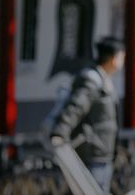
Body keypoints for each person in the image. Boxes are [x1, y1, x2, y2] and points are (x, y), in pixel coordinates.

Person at [50, 36, 126, 193]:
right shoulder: (91, 80)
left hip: (102, 155)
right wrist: (59, 132)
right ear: (114, 58)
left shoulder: (103, 79)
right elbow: (75, 107)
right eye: (122, 56)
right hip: (91, 154)